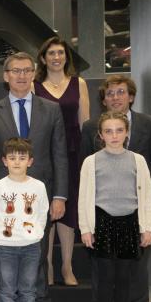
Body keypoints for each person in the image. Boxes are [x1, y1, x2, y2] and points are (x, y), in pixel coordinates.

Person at [0, 52, 68, 302]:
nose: (21, 75)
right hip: (4, 198)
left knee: (37, 254)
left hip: (38, 197)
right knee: (3, 254)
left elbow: (60, 155)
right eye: (15, 71)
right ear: (6, 76)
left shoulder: (51, 109)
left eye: (27, 70)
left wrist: (60, 196)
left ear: (34, 74)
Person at [80, 75, 151, 302]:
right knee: (102, 269)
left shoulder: (149, 123)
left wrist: (142, 210)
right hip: (103, 213)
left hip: (135, 209)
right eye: (110, 93)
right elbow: (87, 173)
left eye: (121, 92)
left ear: (131, 96)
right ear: (103, 99)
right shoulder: (90, 126)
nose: (115, 97)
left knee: (135, 268)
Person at [34, 36, 90, 286]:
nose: (56, 57)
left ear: (66, 57)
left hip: (73, 152)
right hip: (45, 153)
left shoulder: (79, 84)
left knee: (68, 210)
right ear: (43, 59)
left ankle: (67, 265)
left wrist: (86, 160)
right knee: (47, 210)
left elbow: (85, 124)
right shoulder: (35, 86)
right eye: (51, 53)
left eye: (60, 53)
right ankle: (47, 265)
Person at [0, 138, 49, 302]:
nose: (17, 162)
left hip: (31, 246)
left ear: (30, 161)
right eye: (12, 158)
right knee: (7, 290)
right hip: (5, 247)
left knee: (29, 289)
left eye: (22, 158)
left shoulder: (38, 186)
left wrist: (36, 234)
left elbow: (42, 213)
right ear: (4, 161)